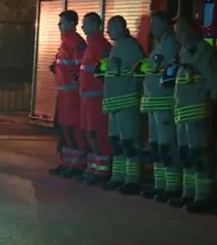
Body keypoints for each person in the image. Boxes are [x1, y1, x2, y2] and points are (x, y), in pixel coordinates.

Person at [169, 18, 217, 212]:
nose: (177, 37)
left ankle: (204, 196)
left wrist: (210, 105)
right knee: (187, 154)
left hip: (197, 111)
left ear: (191, 32)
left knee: (200, 155)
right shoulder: (183, 52)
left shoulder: (204, 51)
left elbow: (215, 81)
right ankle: (188, 193)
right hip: (183, 112)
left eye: (180, 32)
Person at [135, 11, 183, 202]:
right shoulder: (161, 46)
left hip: (164, 104)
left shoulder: (171, 46)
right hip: (155, 104)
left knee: (166, 146)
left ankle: (172, 186)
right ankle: (161, 185)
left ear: (166, 24)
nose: (151, 29)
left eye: (155, 24)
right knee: (157, 146)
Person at [100, 16, 146, 194]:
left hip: (126, 102)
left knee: (129, 142)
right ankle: (118, 177)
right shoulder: (117, 48)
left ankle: (132, 180)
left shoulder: (130, 48)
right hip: (114, 103)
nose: (108, 31)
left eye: (111, 27)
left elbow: (137, 74)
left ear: (121, 27)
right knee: (117, 143)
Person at [48, 10, 87, 178]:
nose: (59, 26)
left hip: (73, 95)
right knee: (64, 129)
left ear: (72, 24)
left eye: (62, 22)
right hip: (64, 93)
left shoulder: (76, 42)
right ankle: (67, 162)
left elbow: (81, 69)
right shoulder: (65, 42)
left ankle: (77, 164)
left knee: (73, 129)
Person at [76, 12, 113, 184]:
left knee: (97, 132)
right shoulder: (91, 45)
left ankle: (102, 170)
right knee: (88, 132)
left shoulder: (100, 46)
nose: (82, 27)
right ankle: (93, 166)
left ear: (96, 25)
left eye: (86, 23)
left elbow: (104, 73)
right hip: (87, 98)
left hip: (96, 98)